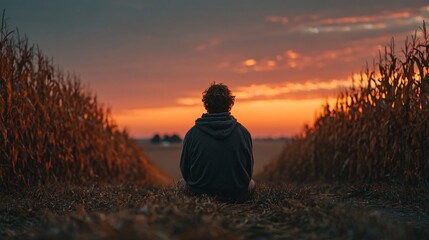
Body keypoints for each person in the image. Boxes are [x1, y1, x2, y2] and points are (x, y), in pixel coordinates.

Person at [179, 82, 255, 202]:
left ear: (206, 104)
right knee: (252, 183)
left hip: (199, 194)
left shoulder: (191, 134)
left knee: (181, 183)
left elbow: (185, 172)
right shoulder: (243, 133)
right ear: (230, 104)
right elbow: (248, 172)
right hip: (236, 195)